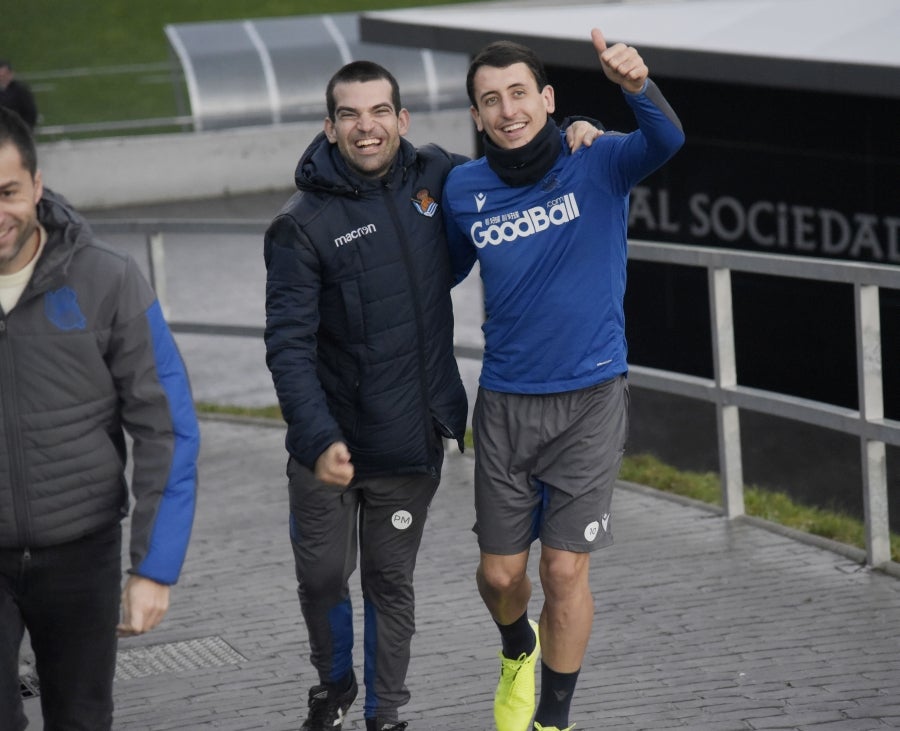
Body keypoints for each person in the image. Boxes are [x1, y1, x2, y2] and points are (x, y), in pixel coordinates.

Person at [264, 60, 603, 731]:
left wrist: (574, 133)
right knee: (325, 579)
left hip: (408, 444)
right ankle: (334, 683)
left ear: (403, 118)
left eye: (380, 111)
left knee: (390, 586)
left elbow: (516, 161)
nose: (368, 127)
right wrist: (317, 437)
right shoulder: (299, 225)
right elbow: (288, 347)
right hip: (326, 451)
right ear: (330, 127)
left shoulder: (436, 176)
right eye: (351, 115)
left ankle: (385, 714)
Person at [442, 30, 684, 731]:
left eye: (519, 93)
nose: (507, 109)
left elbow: (666, 141)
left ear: (546, 99)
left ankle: (552, 718)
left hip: (591, 398)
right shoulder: (464, 189)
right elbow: (443, 270)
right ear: (478, 117)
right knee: (499, 576)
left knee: (565, 572)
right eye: (491, 100)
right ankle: (519, 646)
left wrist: (634, 85)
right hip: (507, 403)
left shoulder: (598, 158)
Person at [0, 106, 200, 730]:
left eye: (6, 192)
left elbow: (166, 425)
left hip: (82, 551)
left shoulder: (106, 279)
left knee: (81, 719)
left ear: (36, 185)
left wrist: (152, 569)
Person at [0, 61, 38, 130]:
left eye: (4, 76)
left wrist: (24, 130)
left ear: (11, 74)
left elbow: (31, 113)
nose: (2, 78)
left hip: (18, 130)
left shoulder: (21, 90)